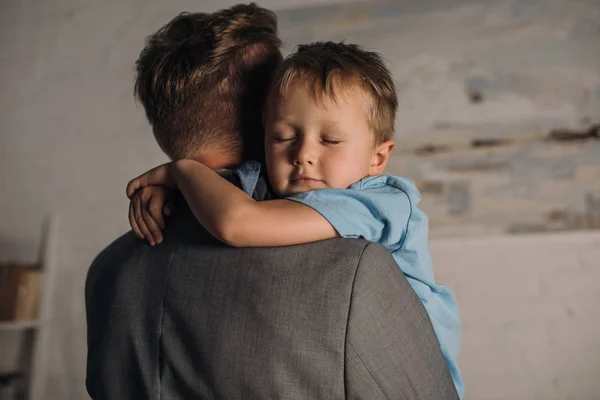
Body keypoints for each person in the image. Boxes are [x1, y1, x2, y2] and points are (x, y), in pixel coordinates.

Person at [86, 4, 459, 399]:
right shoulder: (354, 270)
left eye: (328, 137)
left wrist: (181, 172)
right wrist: (179, 174)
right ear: (264, 119)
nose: (304, 152)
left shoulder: (108, 271)